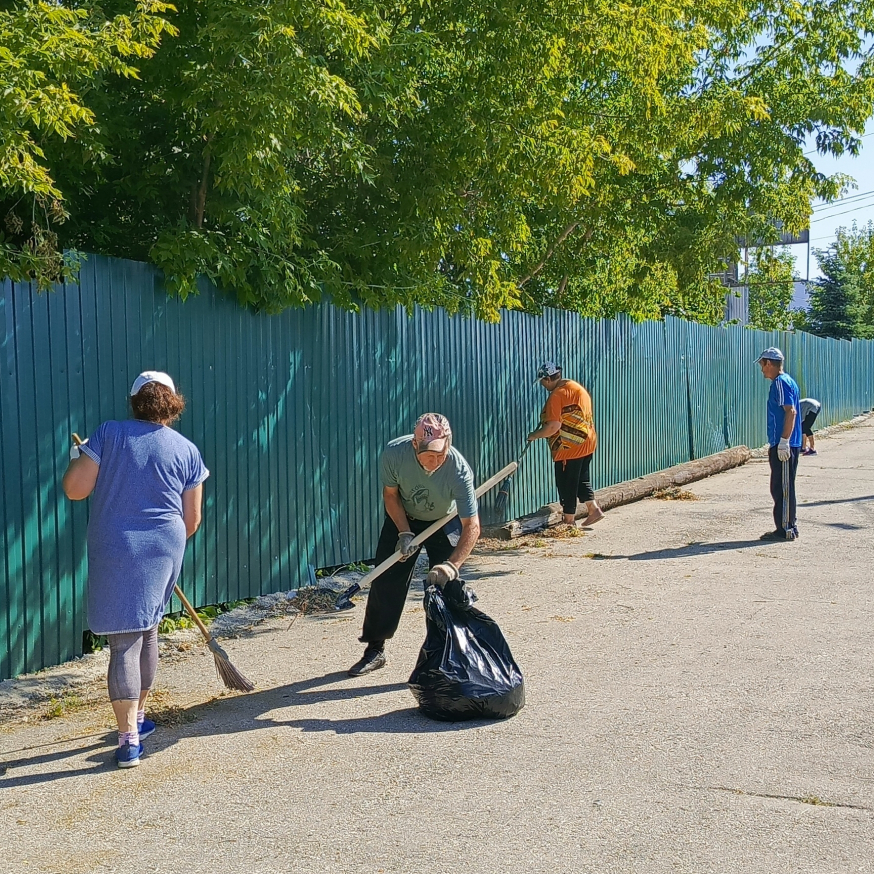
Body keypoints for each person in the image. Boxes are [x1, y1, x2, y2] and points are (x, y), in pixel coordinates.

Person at [62, 371, 209, 767]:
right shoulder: (186, 449)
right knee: (147, 629)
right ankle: (139, 719)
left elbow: (75, 489)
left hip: (117, 546)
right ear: (172, 403)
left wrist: (80, 456)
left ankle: (128, 741)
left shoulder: (108, 435)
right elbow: (192, 520)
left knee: (124, 640)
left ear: (134, 402)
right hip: (165, 546)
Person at [348, 413, 481, 677]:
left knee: (446, 589)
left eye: (440, 454)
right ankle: (375, 650)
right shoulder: (394, 454)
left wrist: (452, 566)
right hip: (404, 517)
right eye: (428, 454)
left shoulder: (458, 470)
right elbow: (390, 495)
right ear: (414, 445)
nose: (434, 461)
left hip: (444, 520)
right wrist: (404, 532)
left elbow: (472, 526)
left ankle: (446, 654)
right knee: (386, 580)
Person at [527, 361, 604, 527]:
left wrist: (534, 435)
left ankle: (569, 521)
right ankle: (593, 509)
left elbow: (553, 426)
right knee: (581, 478)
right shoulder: (576, 387)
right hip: (587, 442)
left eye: (542, 382)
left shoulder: (557, 395)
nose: (542, 385)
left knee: (567, 482)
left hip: (569, 448)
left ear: (548, 379)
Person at [756, 348, 802, 541]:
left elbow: (790, 412)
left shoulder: (781, 383)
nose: (761, 370)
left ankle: (785, 529)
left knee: (782, 487)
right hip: (786, 442)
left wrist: (784, 441)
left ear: (768, 363)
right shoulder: (786, 381)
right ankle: (787, 526)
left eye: (762, 365)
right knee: (781, 485)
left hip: (785, 444)